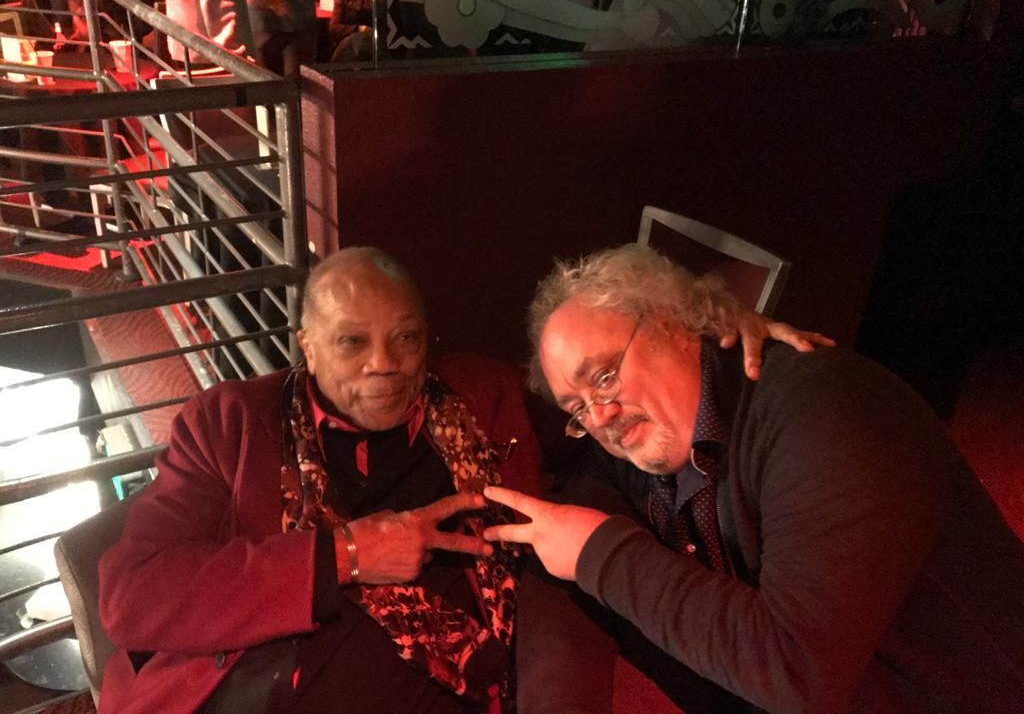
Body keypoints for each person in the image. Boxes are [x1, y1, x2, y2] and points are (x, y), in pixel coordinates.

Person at [96, 245, 827, 713]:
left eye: (405, 338)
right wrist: (344, 555)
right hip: (251, 691)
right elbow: (132, 596)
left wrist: (714, 341)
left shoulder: (479, 394)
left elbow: (606, 430)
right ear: (307, 347)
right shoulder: (229, 424)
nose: (384, 364)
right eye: (351, 342)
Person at [484, 243, 1024, 713]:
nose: (599, 417)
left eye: (604, 376)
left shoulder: (831, 417)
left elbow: (797, 672)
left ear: (673, 324)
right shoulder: (640, 445)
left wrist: (603, 554)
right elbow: (561, 542)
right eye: (577, 408)